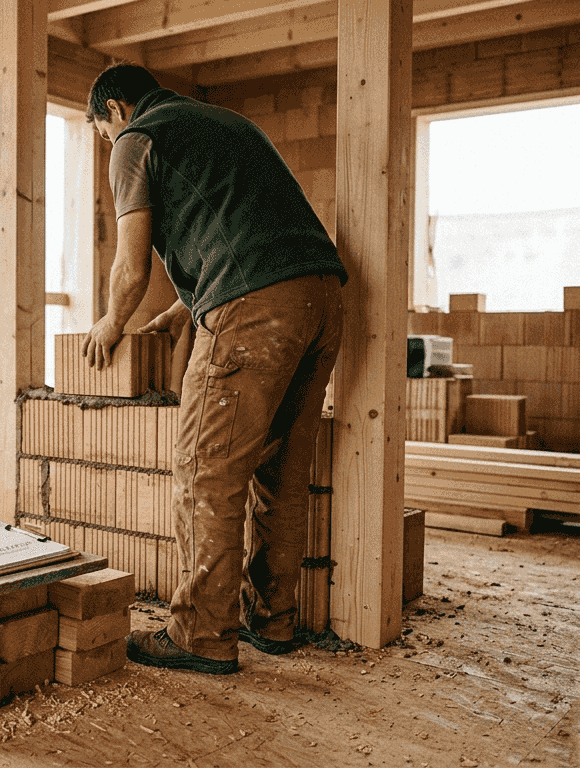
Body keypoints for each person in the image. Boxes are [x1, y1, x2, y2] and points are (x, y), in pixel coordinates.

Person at [81, 63, 347, 674]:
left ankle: (200, 634)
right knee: (280, 471)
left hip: (253, 310)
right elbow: (244, 227)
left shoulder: (134, 139)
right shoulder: (223, 123)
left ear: (116, 109)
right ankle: (273, 621)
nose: (106, 143)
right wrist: (183, 309)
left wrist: (109, 322)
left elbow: (131, 266)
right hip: (321, 297)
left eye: (100, 131)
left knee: (206, 470)